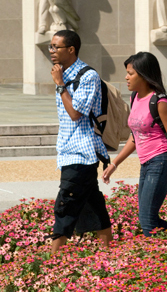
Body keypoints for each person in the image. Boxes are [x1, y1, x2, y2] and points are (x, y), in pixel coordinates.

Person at [102, 51, 167, 237]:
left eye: (131, 73)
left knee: (147, 219)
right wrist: (114, 164)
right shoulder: (135, 97)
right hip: (147, 163)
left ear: (144, 75)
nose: (126, 77)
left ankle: (165, 255)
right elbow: (135, 136)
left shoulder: (160, 101)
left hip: (162, 161)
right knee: (148, 217)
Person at [49, 30, 112, 253]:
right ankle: (108, 253)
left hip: (81, 153)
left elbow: (76, 113)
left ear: (71, 49)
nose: (52, 51)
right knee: (91, 204)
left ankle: (52, 261)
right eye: (51, 46)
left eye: (56, 47)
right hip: (69, 151)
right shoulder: (64, 74)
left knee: (65, 206)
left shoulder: (88, 76)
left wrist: (60, 85)